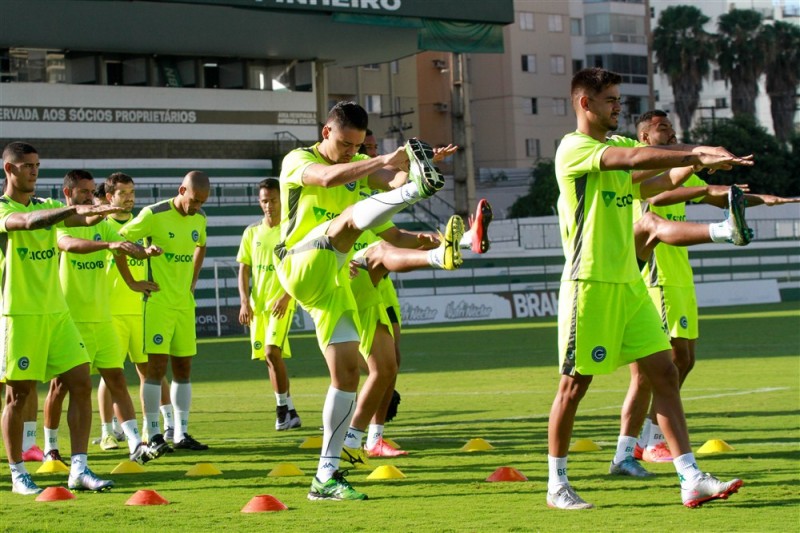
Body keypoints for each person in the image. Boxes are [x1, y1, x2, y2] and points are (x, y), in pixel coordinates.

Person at [546, 68, 753, 510]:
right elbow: (635, 162)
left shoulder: (620, 144)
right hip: (590, 284)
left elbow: (654, 183)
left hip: (629, 283)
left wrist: (696, 162)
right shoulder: (574, 148)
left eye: (619, 99)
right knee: (573, 386)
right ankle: (556, 484)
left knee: (665, 372)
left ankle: (689, 476)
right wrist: (695, 152)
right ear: (585, 104)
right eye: (610, 100)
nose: (618, 106)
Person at [274, 101, 457, 501]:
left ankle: (326, 475)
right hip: (299, 260)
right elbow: (324, 179)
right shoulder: (297, 159)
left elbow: (390, 183)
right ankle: (421, 191)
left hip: (335, 278)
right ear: (326, 132)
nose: (350, 152)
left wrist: (411, 163)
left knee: (346, 378)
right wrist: (389, 167)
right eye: (344, 144)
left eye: (357, 146)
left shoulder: (359, 166)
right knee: (349, 218)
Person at [626, 110, 800, 463]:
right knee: (654, 370)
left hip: (679, 280)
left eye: (673, 127)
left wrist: (764, 200)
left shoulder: (674, 178)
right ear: (644, 139)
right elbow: (668, 198)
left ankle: (646, 439)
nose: (671, 132)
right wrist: (699, 169)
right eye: (663, 129)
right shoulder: (638, 180)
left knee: (684, 361)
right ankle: (637, 446)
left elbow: (715, 195)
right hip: (655, 279)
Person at [0, 142, 121, 495]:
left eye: (37, 165)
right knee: (18, 397)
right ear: (9, 169)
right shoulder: (5, 208)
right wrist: (74, 210)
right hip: (20, 314)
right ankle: (18, 472)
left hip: (57, 313)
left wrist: (104, 211)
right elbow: (26, 222)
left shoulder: (48, 205)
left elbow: (78, 217)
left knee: (81, 382)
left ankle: (79, 469)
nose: (34, 171)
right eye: (27, 166)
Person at [41, 170, 167, 465]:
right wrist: (110, 246)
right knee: (61, 386)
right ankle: (49, 446)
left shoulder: (105, 226)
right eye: (81, 192)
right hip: (71, 319)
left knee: (117, 379)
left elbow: (124, 250)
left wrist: (145, 253)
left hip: (103, 317)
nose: (87, 196)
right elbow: (71, 245)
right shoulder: (59, 223)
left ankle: (136, 444)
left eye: (89, 191)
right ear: (67, 195)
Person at [118, 171, 210, 452]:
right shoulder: (153, 214)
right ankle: (154, 434)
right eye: (193, 200)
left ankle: (181, 433)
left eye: (202, 203)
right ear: (182, 190)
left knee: (184, 368)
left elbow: (201, 245)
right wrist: (133, 281)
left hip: (183, 304)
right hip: (157, 304)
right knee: (156, 368)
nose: (196, 207)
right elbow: (119, 242)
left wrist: (192, 281)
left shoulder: (200, 218)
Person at [95, 173, 173, 449]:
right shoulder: (101, 226)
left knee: (149, 371)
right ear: (109, 197)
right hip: (111, 311)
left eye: (132, 192)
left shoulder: (142, 223)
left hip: (140, 310)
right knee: (111, 373)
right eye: (122, 193)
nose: (129, 198)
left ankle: (156, 428)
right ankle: (107, 431)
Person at [237, 178, 302, 431]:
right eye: (264, 200)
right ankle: (291, 411)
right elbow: (244, 269)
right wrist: (245, 301)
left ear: (281, 200)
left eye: (273, 200)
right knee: (270, 359)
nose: (268, 205)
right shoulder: (251, 232)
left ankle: (281, 410)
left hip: (281, 302)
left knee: (271, 351)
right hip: (258, 306)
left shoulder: (291, 231)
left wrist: (287, 296)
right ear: (259, 201)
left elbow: (299, 268)